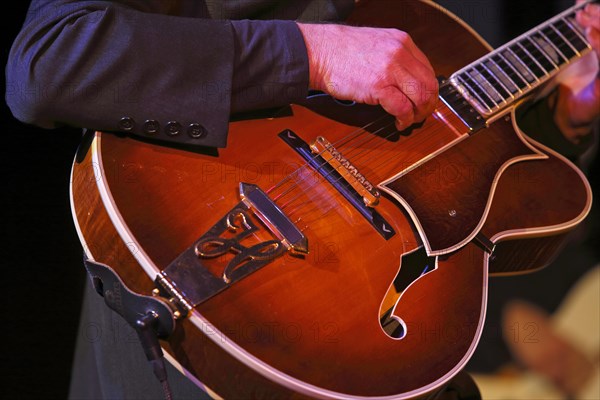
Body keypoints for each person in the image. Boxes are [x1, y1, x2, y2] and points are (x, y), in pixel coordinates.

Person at [5, 0, 599, 399]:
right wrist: (310, 54)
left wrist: (559, 121)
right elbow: (49, 60)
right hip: (183, 332)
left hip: (382, 335)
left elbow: (455, 149)